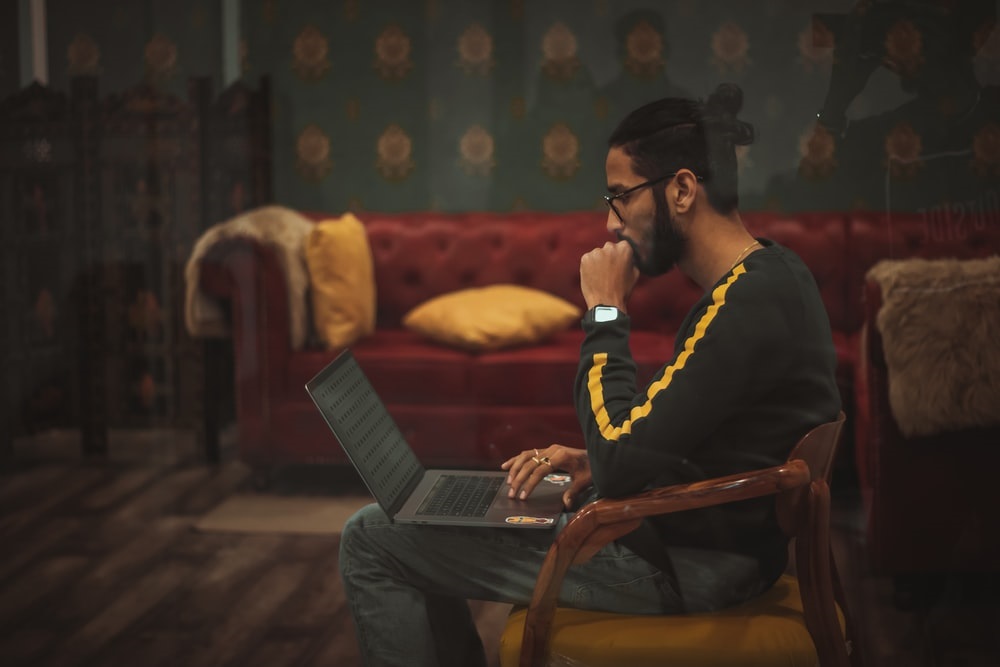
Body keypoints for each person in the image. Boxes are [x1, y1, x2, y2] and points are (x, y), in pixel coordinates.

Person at [339, 82, 841, 667]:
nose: (611, 223)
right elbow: (694, 438)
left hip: (688, 565)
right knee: (410, 521)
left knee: (372, 539)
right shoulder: (776, 275)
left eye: (621, 197)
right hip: (705, 543)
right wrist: (591, 458)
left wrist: (606, 312)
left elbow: (622, 463)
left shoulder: (742, 303)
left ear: (681, 189)